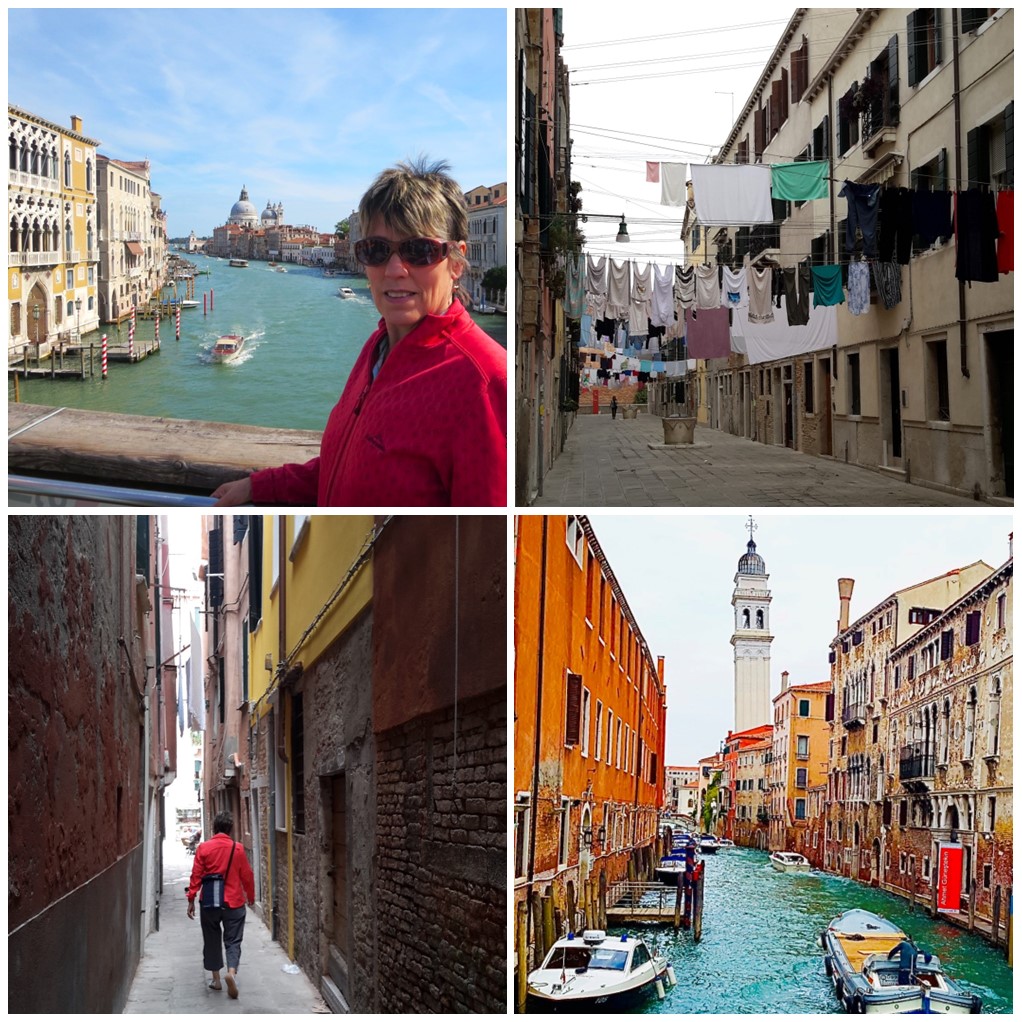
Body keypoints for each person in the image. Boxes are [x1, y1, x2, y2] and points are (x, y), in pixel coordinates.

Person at [211, 157, 507, 507]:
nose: (395, 269)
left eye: (420, 251)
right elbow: (349, 464)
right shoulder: (378, 347)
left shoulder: (485, 383)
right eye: (377, 251)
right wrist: (261, 487)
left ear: (456, 262)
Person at [186, 811, 255, 999]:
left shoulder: (203, 848)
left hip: (209, 902)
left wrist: (191, 898)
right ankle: (231, 973)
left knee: (212, 939)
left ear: (214, 828)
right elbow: (247, 875)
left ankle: (216, 980)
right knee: (233, 940)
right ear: (230, 829)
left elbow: (196, 875)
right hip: (234, 902)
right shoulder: (238, 848)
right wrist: (250, 896)